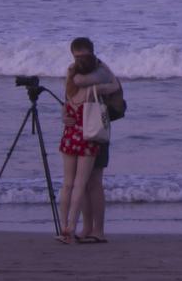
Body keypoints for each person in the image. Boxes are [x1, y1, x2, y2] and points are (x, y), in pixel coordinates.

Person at [62, 37, 122, 244]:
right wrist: (65, 116)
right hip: (79, 131)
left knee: (94, 182)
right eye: (76, 56)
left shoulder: (101, 72)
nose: (80, 60)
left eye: (83, 56)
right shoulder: (74, 71)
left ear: (92, 54)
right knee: (84, 183)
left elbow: (116, 94)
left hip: (97, 131)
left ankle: (99, 230)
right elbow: (68, 98)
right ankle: (87, 227)